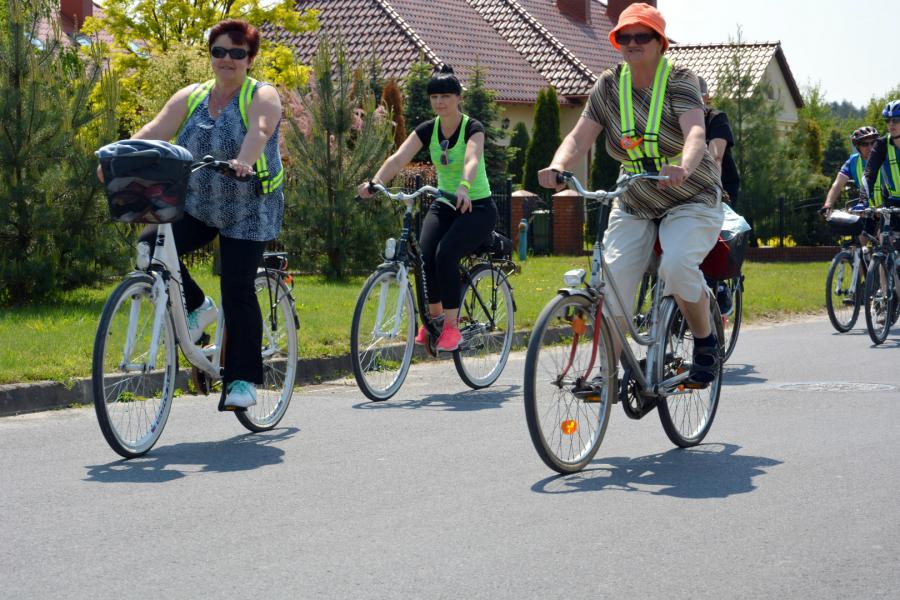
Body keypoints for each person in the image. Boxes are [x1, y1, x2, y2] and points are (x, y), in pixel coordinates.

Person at [98, 19, 284, 408]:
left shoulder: (262, 95)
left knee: (237, 287)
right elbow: (154, 130)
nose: (227, 59)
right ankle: (198, 307)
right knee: (148, 249)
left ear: (250, 58)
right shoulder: (193, 96)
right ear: (210, 55)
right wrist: (118, 158)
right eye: (219, 51)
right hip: (198, 203)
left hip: (249, 208)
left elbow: (260, 131)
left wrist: (244, 160)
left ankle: (242, 380)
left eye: (237, 52)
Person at [537, 2, 724, 385]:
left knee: (676, 266)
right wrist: (558, 165)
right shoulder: (608, 85)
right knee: (613, 285)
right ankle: (606, 376)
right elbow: (579, 137)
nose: (633, 42)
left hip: (690, 195)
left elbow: (695, 133)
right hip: (635, 198)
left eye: (642, 36)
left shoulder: (680, 80)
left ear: (660, 42)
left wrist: (683, 166)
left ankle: (706, 341)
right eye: (625, 36)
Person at [358, 65, 498, 352]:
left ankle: (451, 328)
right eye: (434, 97)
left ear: (458, 98)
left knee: (445, 254)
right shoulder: (428, 129)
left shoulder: (472, 128)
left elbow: (472, 159)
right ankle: (434, 320)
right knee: (425, 254)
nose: (439, 102)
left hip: (477, 206)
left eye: (446, 96)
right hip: (445, 202)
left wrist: (463, 187)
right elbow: (398, 159)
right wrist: (375, 182)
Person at [822, 125, 883, 216]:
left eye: (873, 143)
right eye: (865, 144)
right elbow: (837, 185)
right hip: (867, 212)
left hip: (890, 210)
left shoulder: (886, 158)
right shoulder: (853, 162)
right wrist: (828, 205)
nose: (870, 147)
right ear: (858, 146)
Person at [698, 77, 740, 207]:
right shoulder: (678, 121)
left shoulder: (716, 119)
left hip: (720, 189)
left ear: (706, 98)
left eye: (694, 97)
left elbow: (715, 158)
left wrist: (711, 190)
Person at [860, 100, 900, 210]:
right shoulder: (881, 144)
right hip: (892, 204)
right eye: (887, 120)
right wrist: (863, 200)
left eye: (896, 120)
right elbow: (869, 174)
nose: (891, 124)